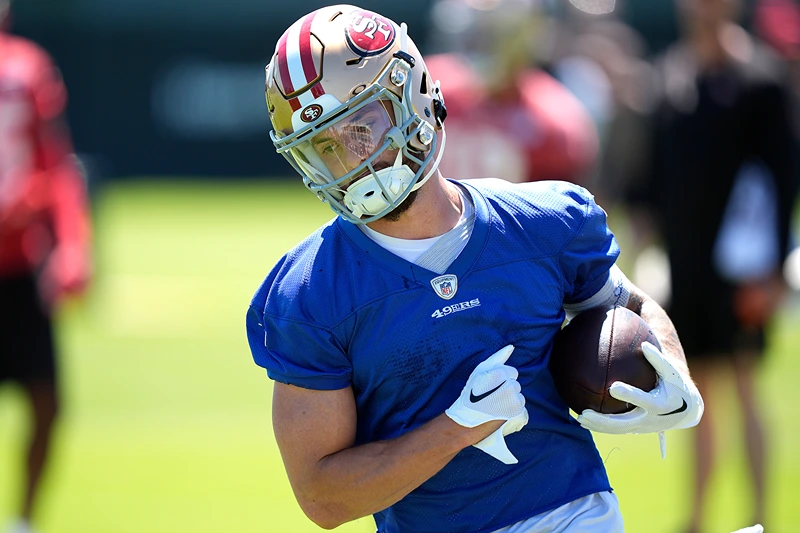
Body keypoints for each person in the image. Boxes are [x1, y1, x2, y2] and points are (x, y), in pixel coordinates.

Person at [246, 5, 704, 533]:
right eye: (324, 147)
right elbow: (323, 498)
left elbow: (628, 304)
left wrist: (673, 369)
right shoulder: (309, 293)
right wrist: (455, 429)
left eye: (361, 128)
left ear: (412, 95)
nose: (352, 162)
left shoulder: (546, 221)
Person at [628, 0, 800, 531]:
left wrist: (772, 272)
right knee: (693, 392)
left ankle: (759, 517)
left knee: (745, 388)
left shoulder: (762, 83)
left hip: (742, 268)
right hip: (686, 267)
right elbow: (649, 182)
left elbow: (783, 179)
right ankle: (697, 518)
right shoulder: (669, 81)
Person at [0, 1, 93, 531]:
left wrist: (73, 246)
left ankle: (24, 521)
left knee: (46, 403)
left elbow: (56, 166)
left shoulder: (26, 67)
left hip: (17, 269)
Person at [423, 0, 599, 186]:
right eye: (480, 34)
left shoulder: (555, 123)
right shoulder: (428, 86)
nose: (483, 46)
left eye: (493, 35)